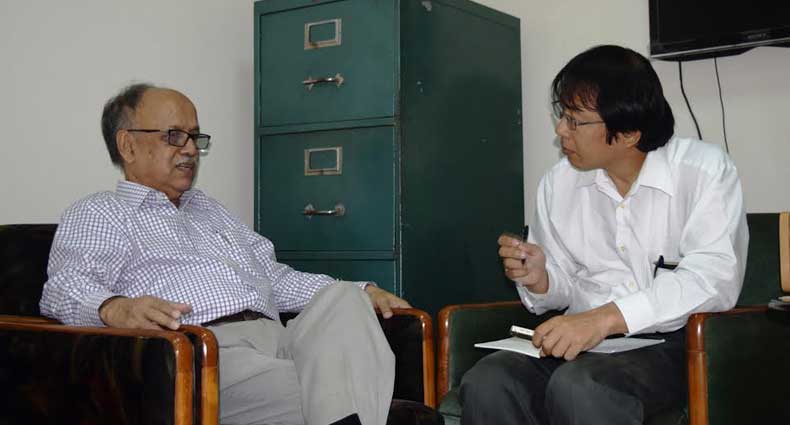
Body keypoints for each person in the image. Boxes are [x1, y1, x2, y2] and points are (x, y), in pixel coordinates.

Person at [40, 83, 411, 425]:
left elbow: (276, 280)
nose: (190, 149)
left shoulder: (212, 211)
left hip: (280, 339)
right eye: (174, 136)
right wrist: (115, 308)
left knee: (345, 298)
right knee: (346, 387)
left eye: (194, 136)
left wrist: (364, 291)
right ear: (128, 145)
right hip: (208, 354)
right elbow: (63, 287)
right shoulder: (101, 212)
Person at [459, 45, 748, 424]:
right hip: (582, 337)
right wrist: (542, 279)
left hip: (673, 342)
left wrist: (605, 319)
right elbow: (565, 287)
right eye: (562, 115)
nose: (561, 130)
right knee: (489, 381)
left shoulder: (703, 172)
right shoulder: (558, 183)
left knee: (581, 386)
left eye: (575, 121)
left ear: (628, 133)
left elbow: (713, 279)